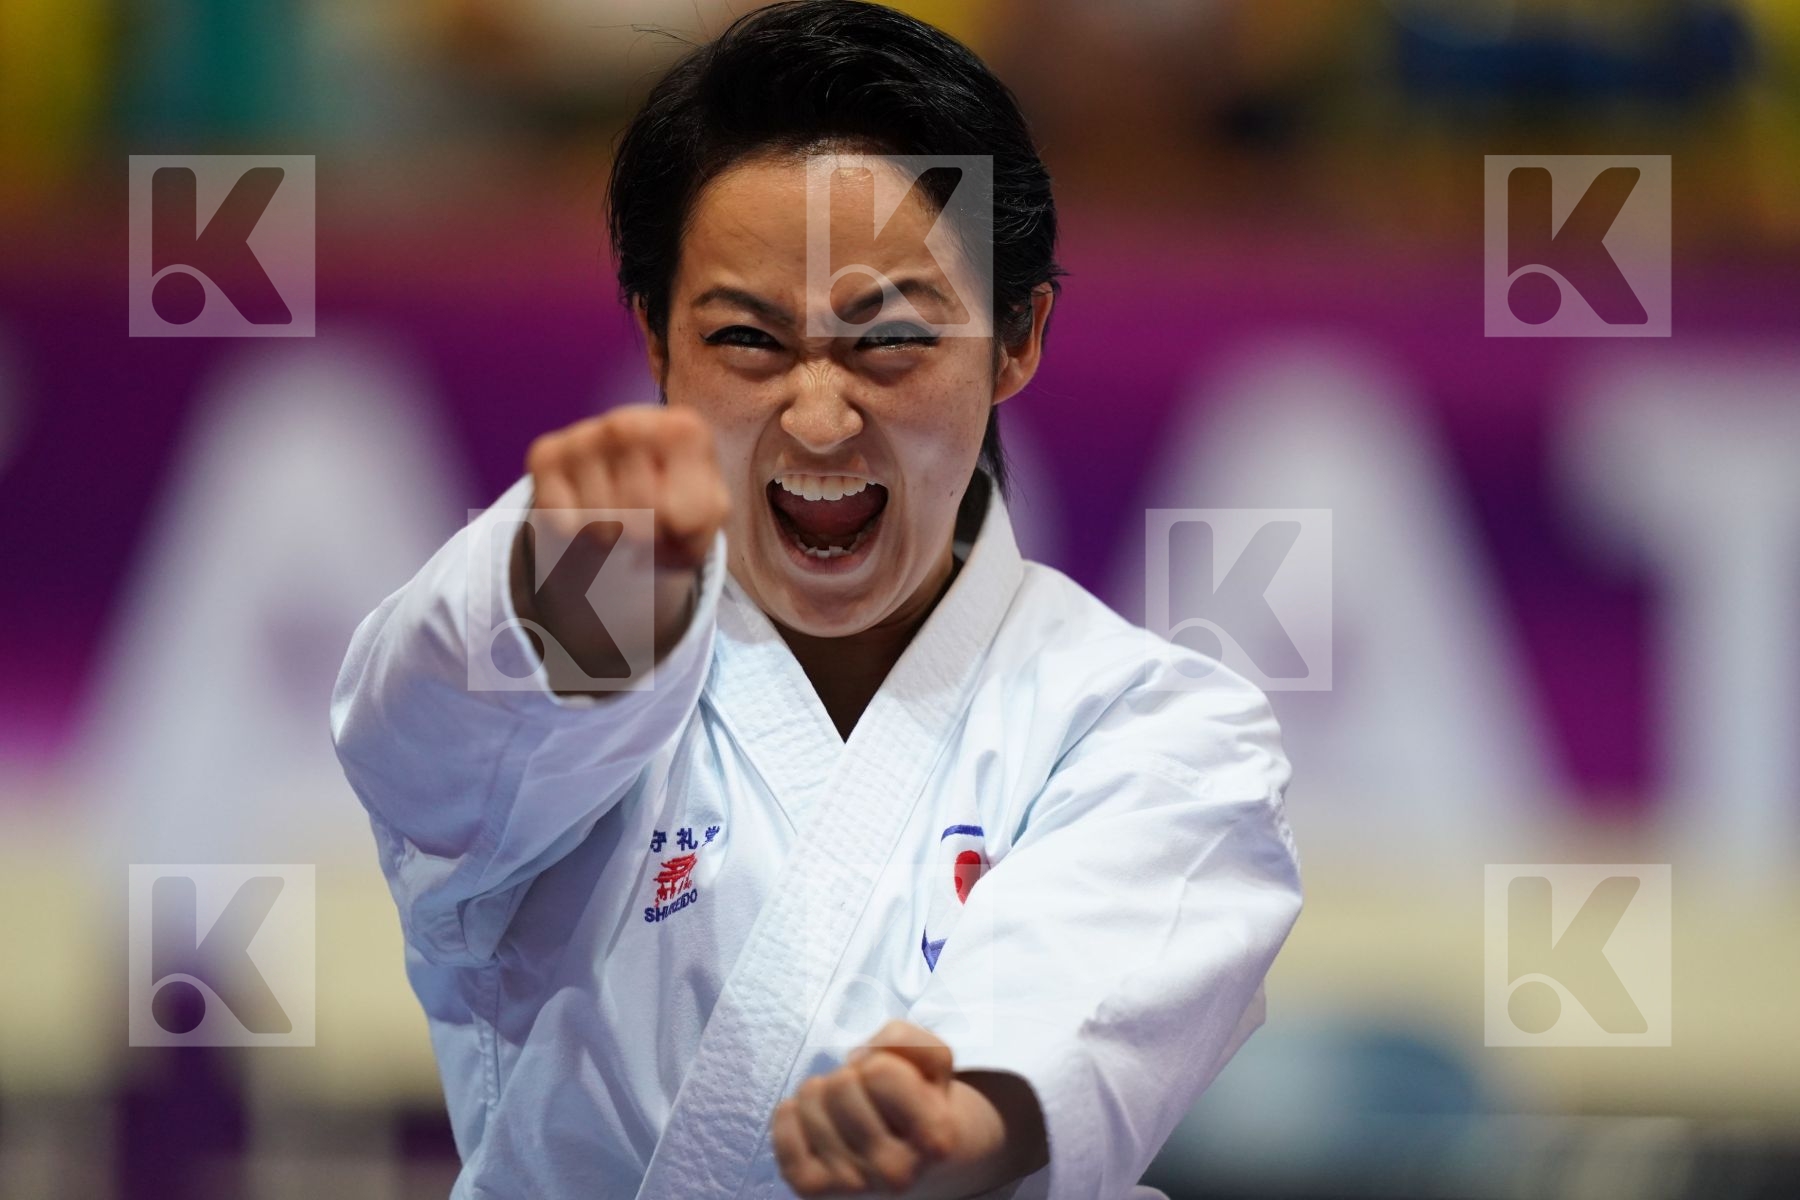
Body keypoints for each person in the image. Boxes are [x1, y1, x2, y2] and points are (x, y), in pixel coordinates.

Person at [329, 3, 1303, 1197]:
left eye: (888, 342)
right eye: (749, 340)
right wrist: (557, 603)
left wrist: (958, 1116)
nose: (821, 418)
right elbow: (414, 746)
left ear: (1017, 337)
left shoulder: (1156, 726)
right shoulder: (567, 645)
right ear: (656, 343)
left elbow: (1086, 998)